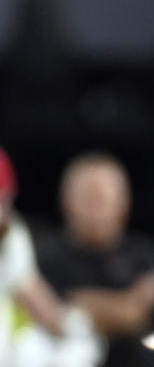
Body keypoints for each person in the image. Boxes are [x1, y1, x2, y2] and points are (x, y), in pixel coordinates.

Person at [35, 151, 154, 367]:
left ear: (123, 202)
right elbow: (51, 317)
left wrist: (86, 306)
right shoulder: (44, 258)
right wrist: (128, 304)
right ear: (65, 201)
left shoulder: (147, 256)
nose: (94, 208)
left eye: (101, 198)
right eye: (86, 197)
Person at [0, 146, 103, 367]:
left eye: (4, 201)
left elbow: (29, 289)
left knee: (38, 344)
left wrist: (74, 330)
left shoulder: (11, 234)